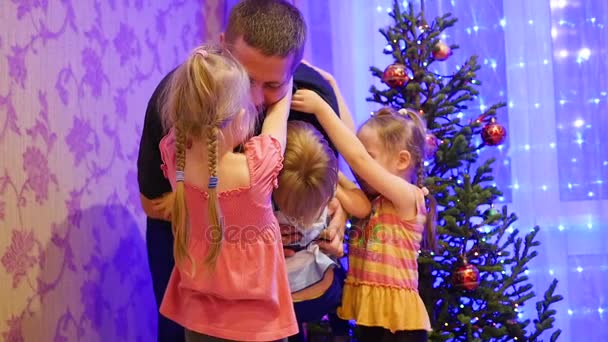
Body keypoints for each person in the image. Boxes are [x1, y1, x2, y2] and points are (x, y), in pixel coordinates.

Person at [136, 1, 348, 340]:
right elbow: (152, 203)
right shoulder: (179, 98)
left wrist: (335, 216)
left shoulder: (313, 98)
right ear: (222, 45)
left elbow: (331, 190)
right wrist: (242, 220)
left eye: (273, 86)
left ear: (294, 73)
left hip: (278, 272)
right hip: (195, 256)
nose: (253, 98)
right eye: (246, 79)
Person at [158, 44, 297, 341]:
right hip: (260, 324)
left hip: (197, 320)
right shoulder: (256, 170)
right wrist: (286, 81)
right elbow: (277, 123)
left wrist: (202, 76)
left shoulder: (174, 158)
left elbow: (181, 125)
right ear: (237, 117)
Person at [291, 88, 438, 342]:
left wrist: (321, 109)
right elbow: (354, 152)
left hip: (399, 326)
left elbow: (358, 159)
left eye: (370, 158)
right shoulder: (371, 200)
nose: (358, 167)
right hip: (372, 318)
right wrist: (332, 87)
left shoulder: (408, 197)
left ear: (402, 161)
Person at [273, 121, 371, 342]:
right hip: (312, 298)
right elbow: (363, 207)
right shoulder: (321, 192)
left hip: (291, 305)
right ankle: (340, 334)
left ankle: (339, 334)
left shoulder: (299, 191)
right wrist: (335, 192)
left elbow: (361, 207)